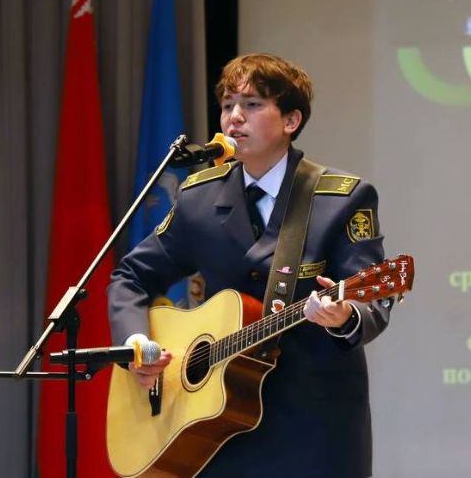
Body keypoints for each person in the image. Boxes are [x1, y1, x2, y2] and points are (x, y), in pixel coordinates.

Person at [108, 53, 391, 478]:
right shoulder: (199, 198)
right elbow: (131, 277)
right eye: (227, 105)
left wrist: (345, 315)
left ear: (291, 120)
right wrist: (137, 344)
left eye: (253, 105)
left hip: (313, 428)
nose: (234, 117)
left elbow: (372, 299)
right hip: (213, 432)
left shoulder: (340, 199)